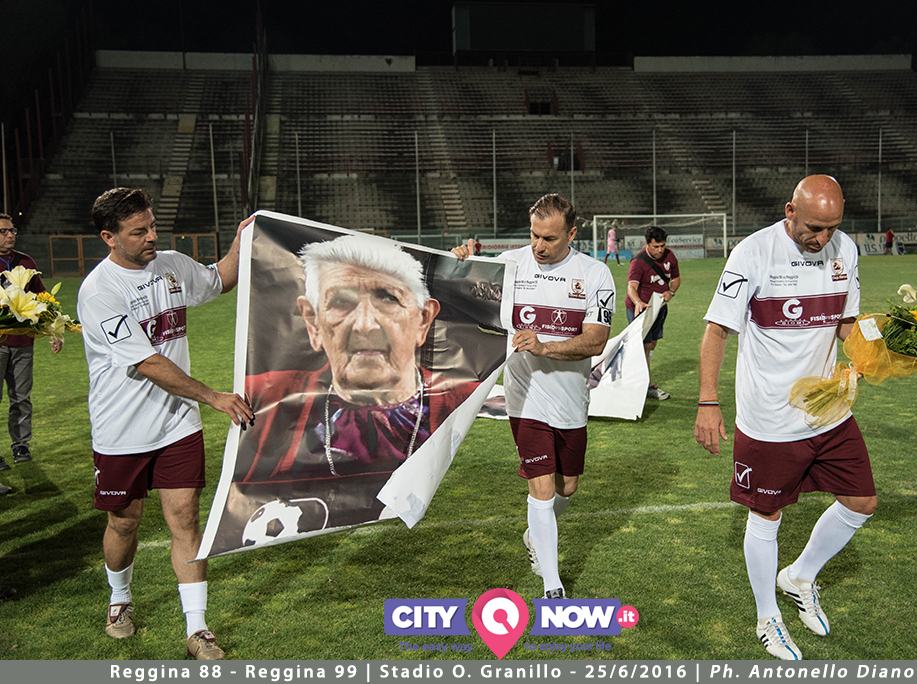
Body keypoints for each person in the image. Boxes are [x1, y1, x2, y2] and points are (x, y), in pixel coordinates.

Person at [695, 176, 875, 660]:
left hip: (828, 409)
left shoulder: (845, 250)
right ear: (789, 210)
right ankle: (767, 617)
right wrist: (708, 401)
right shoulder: (753, 253)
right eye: (814, 228)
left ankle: (798, 577)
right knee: (766, 514)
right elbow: (717, 331)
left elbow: (846, 324)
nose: (822, 238)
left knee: (861, 501)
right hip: (770, 417)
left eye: (832, 228)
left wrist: (890, 348)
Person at [77, 188, 254, 660]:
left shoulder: (171, 265)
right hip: (122, 431)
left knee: (186, 519)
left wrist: (243, 242)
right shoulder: (99, 292)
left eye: (152, 226)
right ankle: (119, 600)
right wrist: (213, 396)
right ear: (109, 237)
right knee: (124, 522)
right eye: (139, 232)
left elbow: (220, 279)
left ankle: (198, 629)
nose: (152, 236)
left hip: (178, 425)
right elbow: (148, 363)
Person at [230, 234, 477, 533]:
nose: (365, 325)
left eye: (388, 298)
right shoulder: (269, 399)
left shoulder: (460, 396)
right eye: (341, 302)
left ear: (423, 320)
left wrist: (468, 266)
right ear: (312, 322)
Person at [454, 193, 615, 599]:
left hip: (570, 398)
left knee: (567, 487)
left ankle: (534, 534)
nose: (538, 246)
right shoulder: (509, 266)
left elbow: (596, 341)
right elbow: (463, 293)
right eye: (533, 236)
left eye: (549, 238)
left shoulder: (595, 274)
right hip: (525, 395)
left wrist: (545, 347)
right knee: (540, 489)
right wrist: (458, 263)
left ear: (571, 235)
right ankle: (552, 585)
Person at [0, 213, 62, 471]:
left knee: (21, 397)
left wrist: (55, 330)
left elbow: (43, 298)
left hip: (23, 342)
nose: (10, 235)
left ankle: (21, 445)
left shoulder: (26, 262)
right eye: (4, 231)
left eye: (12, 230)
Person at [625, 225, 680, 401]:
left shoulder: (670, 256)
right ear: (647, 244)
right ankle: (645, 384)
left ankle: (639, 378)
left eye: (662, 245)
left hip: (659, 308)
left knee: (651, 345)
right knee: (643, 346)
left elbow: (676, 279)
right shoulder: (638, 262)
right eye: (656, 246)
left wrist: (671, 292)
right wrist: (637, 302)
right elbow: (631, 287)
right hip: (641, 309)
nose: (660, 250)